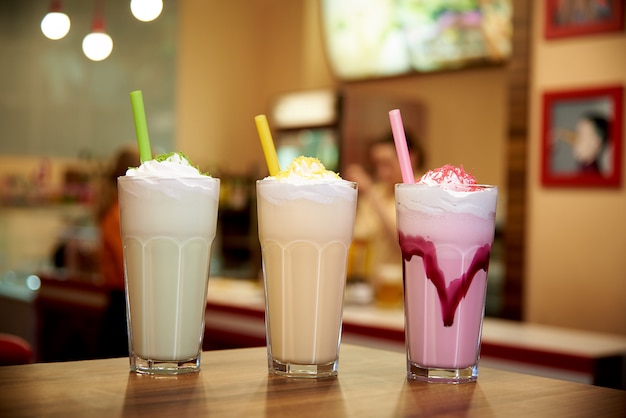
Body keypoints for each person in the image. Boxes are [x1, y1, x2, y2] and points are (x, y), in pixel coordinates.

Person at [344, 133, 425, 295]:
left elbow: (406, 245)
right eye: (378, 165)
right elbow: (358, 237)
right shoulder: (377, 192)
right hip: (374, 290)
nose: (381, 172)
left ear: (411, 158)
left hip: (409, 292)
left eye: (387, 164)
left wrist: (371, 195)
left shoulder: (424, 192)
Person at [95, 146, 140, 358]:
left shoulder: (119, 210)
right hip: (121, 305)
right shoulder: (119, 214)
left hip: (120, 302)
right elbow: (130, 265)